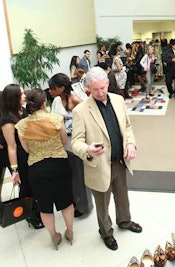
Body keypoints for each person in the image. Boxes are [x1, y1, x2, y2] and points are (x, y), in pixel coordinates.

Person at [70, 67, 142, 251]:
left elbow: (127, 126)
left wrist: (131, 144)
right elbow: (75, 142)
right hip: (98, 165)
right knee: (102, 204)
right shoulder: (81, 110)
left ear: (108, 83)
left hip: (119, 161)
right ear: (88, 89)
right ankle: (106, 233)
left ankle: (124, 221)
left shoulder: (118, 100)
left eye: (103, 87)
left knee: (122, 196)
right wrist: (87, 149)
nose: (100, 92)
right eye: (95, 89)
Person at [15, 89, 74, 250]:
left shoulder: (21, 125)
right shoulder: (56, 118)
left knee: (45, 205)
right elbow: (63, 140)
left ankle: (54, 236)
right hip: (60, 164)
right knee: (66, 201)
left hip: (36, 168)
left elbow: (26, 149)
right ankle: (69, 231)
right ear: (44, 103)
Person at [48, 73, 93, 218]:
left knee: (79, 177)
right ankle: (73, 202)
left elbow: (89, 114)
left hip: (74, 144)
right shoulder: (56, 101)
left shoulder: (75, 99)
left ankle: (84, 206)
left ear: (61, 88)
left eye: (52, 88)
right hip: (61, 145)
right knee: (68, 177)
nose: (49, 91)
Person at [0, 84, 44, 229]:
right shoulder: (7, 121)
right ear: (14, 98)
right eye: (21, 94)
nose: (25, 96)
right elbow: (11, 147)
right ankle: (30, 215)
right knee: (26, 185)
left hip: (28, 152)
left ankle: (36, 209)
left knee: (34, 183)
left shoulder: (22, 110)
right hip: (19, 156)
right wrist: (14, 170)